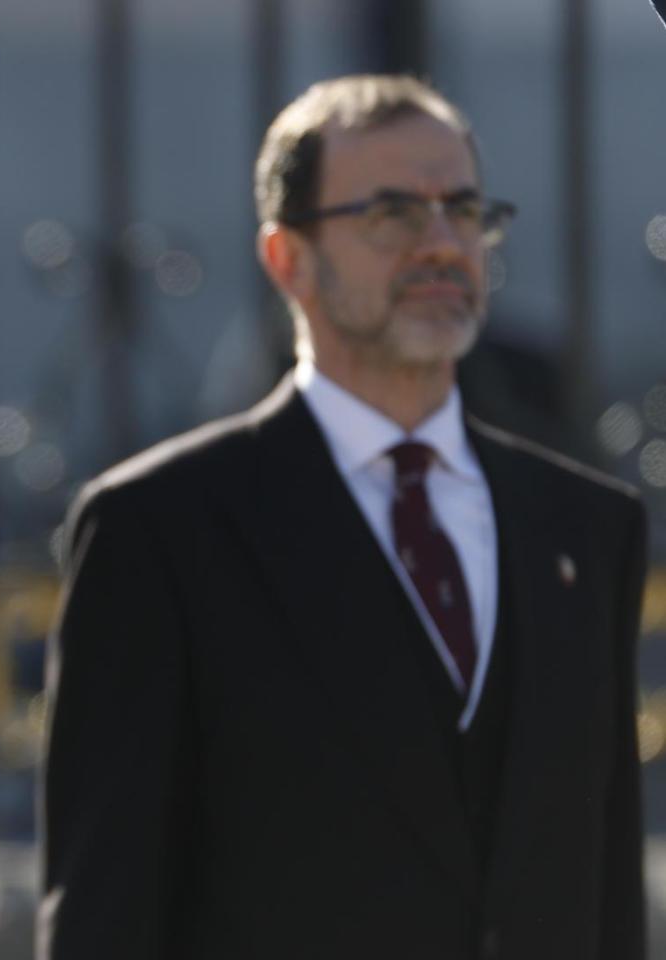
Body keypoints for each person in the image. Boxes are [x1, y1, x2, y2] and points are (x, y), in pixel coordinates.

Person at [40, 74, 645, 960]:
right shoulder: (157, 527)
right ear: (288, 257)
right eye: (392, 213)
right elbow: (105, 908)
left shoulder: (586, 526)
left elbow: (606, 894)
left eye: (464, 210)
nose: (441, 244)